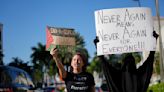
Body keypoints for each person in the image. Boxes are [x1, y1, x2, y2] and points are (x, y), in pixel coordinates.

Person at [94, 31, 159, 92]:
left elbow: (106, 67)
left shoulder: (117, 76)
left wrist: (99, 49)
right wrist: (153, 42)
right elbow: (149, 63)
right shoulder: (139, 75)